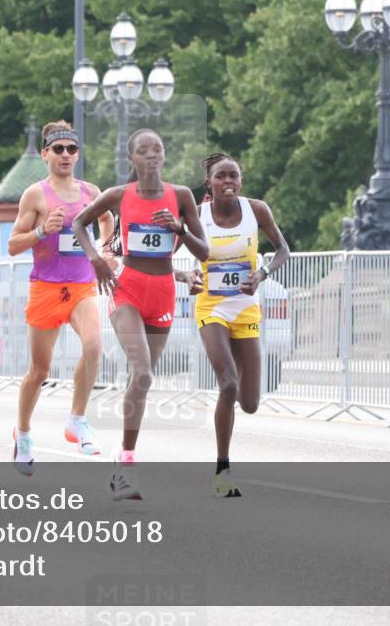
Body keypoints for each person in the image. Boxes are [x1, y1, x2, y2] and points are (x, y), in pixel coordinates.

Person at [72, 129, 209, 500]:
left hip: (163, 291)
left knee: (141, 379)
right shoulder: (119, 195)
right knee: (144, 371)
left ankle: (122, 456)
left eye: (158, 149)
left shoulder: (180, 196)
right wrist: (96, 259)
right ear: (131, 159)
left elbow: (205, 252)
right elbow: (79, 223)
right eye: (144, 151)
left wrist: (179, 227)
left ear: (164, 156)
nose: (152, 155)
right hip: (127, 288)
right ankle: (128, 464)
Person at [7, 120, 114, 475]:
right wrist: (41, 231)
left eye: (71, 149)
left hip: (81, 285)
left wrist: (108, 249)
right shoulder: (35, 195)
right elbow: (12, 244)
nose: (66, 155)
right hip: (46, 287)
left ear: (77, 154)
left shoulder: (90, 192)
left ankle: (77, 420)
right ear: (46, 154)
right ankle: (23, 434)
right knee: (39, 371)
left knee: (94, 346)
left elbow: (107, 217)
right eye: (58, 149)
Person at [187, 153, 290, 497]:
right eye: (221, 177)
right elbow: (170, 258)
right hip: (211, 305)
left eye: (233, 176)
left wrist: (261, 274)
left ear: (240, 181)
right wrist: (185, 275)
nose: (228, 182)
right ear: (210, 183)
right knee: (227, 383)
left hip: (246, 308)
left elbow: (282, 250)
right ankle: (222, 469)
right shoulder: (198, 216)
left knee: (250, 403)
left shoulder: (256, 210)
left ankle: (232, 421)